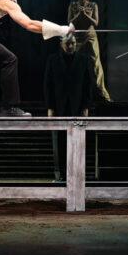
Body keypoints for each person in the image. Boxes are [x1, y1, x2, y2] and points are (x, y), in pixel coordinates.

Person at [44, 34, 94, 180]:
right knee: (60, 142)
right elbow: (48, 85)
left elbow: (88, 84)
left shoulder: (84, 59)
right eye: (68, 44)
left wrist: (86, 106)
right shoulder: (53, 59)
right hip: (59, 107)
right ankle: (61, 175)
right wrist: (50, 107)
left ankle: (77, 175)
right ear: (61, 45)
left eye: (73, 43)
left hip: (77, 106)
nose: (71, 46)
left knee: (78, 142)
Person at [67, 0, 111, 101]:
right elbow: (69, 23)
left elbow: (96, 22)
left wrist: (85, 14)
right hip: (77, 38)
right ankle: (73, 96)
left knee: (96, 65)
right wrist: (79, 14)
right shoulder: (72, 5)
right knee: (74, 65)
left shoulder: (93, 5)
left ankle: (103, 95)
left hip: (90, 36)